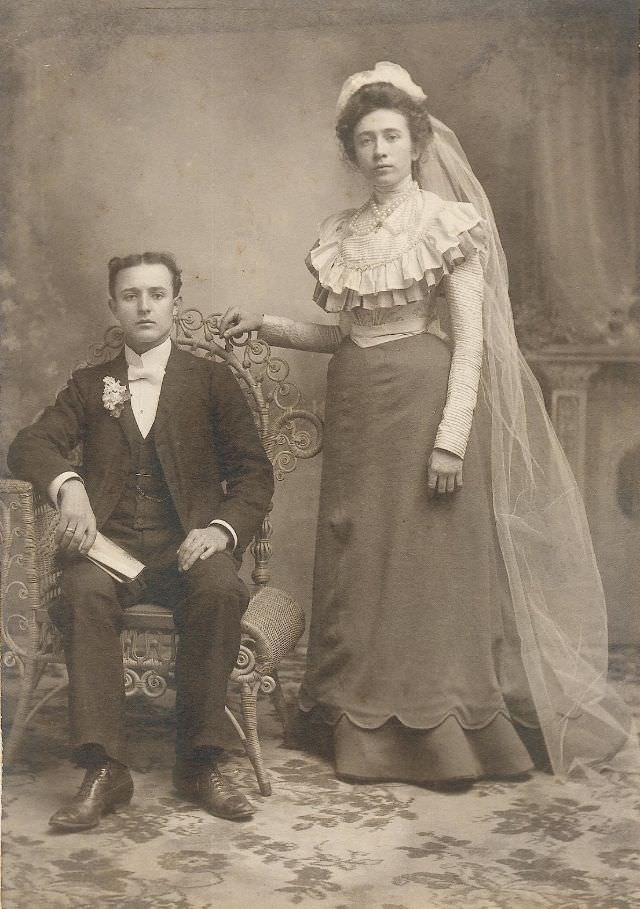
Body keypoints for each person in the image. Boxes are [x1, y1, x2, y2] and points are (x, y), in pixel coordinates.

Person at [219, 63, 639, 786]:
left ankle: (440, 731)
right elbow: (345, 334)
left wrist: (450, 438)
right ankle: (354, 723)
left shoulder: (448, 225)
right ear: (349, 153)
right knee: (361, 565)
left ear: (417, 143)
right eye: (364, 139)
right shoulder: (341, 234)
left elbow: (470, 340)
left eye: (391, 136)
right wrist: (273, 327)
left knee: (426, 573)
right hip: (357, 415)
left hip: (424, 411)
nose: (379, 150)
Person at [8, 251, 274, 829]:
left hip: (188, 547)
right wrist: (68, 484)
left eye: (157, 294)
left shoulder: (211, 380)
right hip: (113, 549)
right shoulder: (90, 384)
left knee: (220, 590)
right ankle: (106, 768)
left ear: (175, 301)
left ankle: (201, 760)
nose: (145, 306)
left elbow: (254, 474)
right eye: (131, 296)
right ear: (114, 306)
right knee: (82, 591)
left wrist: (220, 530)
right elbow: (28, 445)